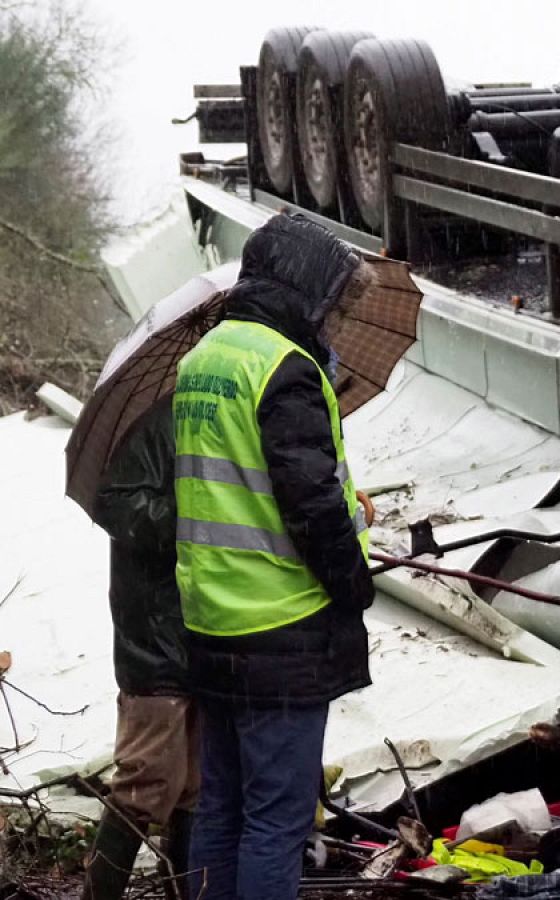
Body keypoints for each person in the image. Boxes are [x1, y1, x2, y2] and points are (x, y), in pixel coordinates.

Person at [174, 214, 375, 900]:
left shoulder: (204, 359)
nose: (335, 319)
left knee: (221, 809)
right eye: (334, 302)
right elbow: (312, 507)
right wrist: (355, 583)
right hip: (281, 630)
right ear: (304, 289)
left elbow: (241, 483)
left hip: (211, 623)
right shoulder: (283, 368)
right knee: (275, 823)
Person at [83, 400, 196, 900]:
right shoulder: (158, 427)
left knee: (196, 782)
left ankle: (189, 890)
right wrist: (195, 509)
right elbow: (118, 506)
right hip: (155, 640)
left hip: (204, 636)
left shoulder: (216, 421)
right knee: (146, 779)